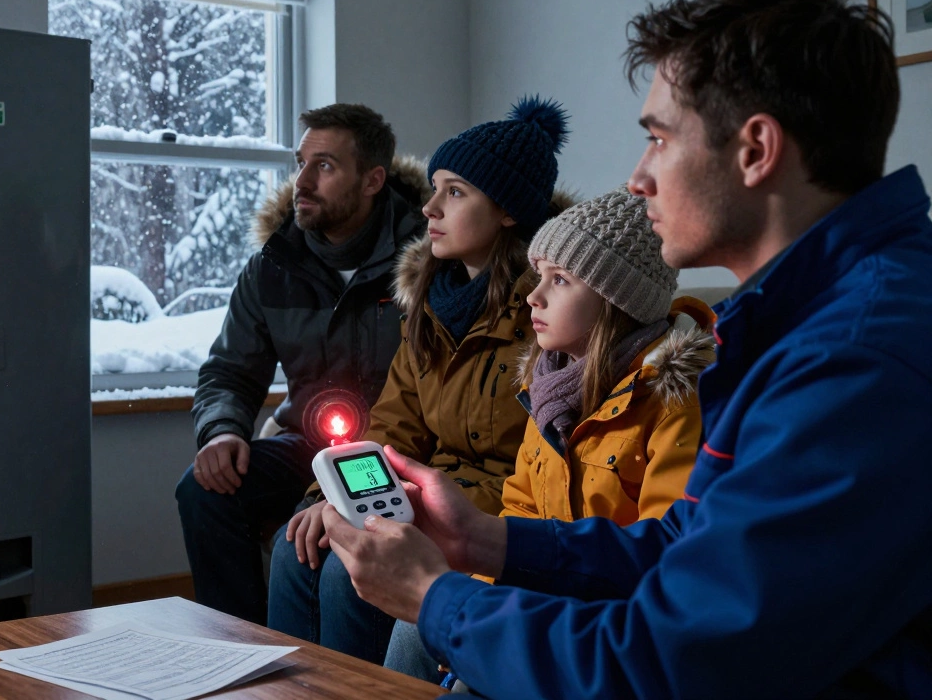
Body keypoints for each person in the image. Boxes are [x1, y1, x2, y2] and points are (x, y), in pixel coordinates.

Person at [321, 0, 932, 697]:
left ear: (756, 149)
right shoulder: (807, 319)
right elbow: (691, 552)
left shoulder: (857, 360)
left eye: (658, 138)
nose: (638, 177)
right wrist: (486, 539)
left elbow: (671, 663)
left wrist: (433, 597)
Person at [268, 98, 576, 663]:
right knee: (296, 545)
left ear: (507, 210)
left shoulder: (551, 312)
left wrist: (410, 512)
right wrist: (330, 496)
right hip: (416, 493)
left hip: (489, 513)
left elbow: (539, 472)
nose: (430, 207)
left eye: (454, 192)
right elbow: (393, 427)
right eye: (433, 187)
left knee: (345, 570)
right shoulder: (428, 306)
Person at [381, 186, 715, 683]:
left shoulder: (673, 402)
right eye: (539, 276)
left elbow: (664, 557)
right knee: (418, 621)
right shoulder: (548, 386)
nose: (533, 296)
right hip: (541, 591)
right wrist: (476, 590)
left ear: (613, 301)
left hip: (602, 623)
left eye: (560, 280)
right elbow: (521, 507)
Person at [176, 104, 428, 625]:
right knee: (203, 490)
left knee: (315, 533)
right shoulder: (273, 265)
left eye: (326, 166)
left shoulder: (427, 261)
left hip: (396, 452)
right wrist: (221, 431)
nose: (302, 182)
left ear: (372, 180)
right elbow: (228, 370)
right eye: (301, 163)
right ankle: (237, 648)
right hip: (307, 446)